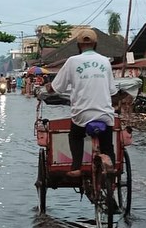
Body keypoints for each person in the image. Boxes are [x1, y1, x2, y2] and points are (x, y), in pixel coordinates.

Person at [45, 29, 118, 178]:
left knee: (75, 136)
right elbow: (112, 90)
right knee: (107, 144)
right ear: (95, 44)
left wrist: (49, 88)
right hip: (105, 114)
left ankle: (76, 167)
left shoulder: (72, 61)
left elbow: (57, 87)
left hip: (82, 114)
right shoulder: (105, 61)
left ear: (78, 45)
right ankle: (109, 162)